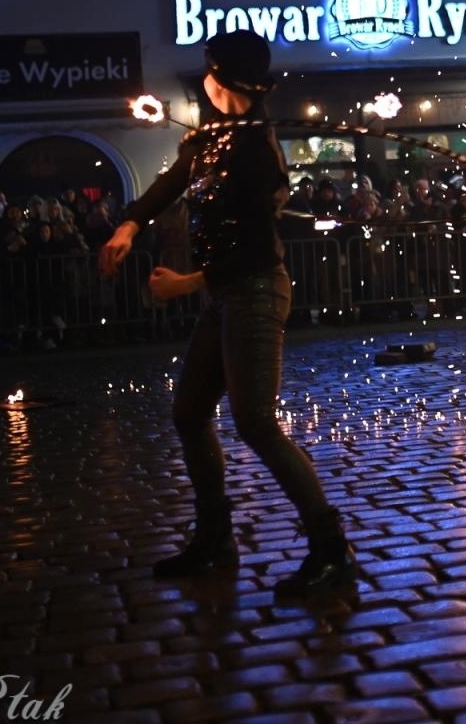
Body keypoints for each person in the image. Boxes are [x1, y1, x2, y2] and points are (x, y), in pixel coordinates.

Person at [99, 30, 355, 595]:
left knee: (255, 421)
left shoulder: (252, 149)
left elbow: (258, 251)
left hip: (256, 291)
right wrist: (128, 224)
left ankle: (331, 549)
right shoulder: (213, 135)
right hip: (226, 296)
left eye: (209, 71)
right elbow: (170, 182)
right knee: (190, 413)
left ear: (224, 81)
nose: (204, 78)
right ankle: (215, 538)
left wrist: (187, 282)